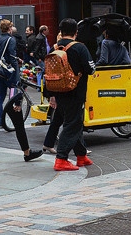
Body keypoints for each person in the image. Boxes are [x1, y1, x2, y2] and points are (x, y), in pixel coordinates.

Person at [47, 18, 95, 171]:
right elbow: (90, 69)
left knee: (75, 122)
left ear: (61, 31)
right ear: (76, 32)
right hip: (76, 92)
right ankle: (61, 158)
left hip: (58, 91)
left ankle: (81, 156)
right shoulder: (79, 48)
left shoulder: (54, 48)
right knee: (72, 124)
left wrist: (51, 95)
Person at [0, 20, 19, 129]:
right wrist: (16, 72)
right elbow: (12, 57)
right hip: (9, 72)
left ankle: (0, 121)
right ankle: (13, 119)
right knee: (13, 95)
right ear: (9, 28)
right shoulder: (11, 39)